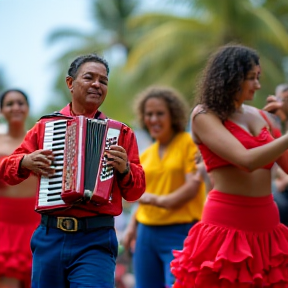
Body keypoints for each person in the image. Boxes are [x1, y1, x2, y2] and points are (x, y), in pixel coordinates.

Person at [0, 54, 146, 288]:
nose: (97, 84)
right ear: (70, 83)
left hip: (96, 238)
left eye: (103, 81)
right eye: (89, 77)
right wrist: (25, 161)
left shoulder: (121, 134)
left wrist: (125, 169)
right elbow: (6, 171)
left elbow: (136, 192)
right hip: (50, 236)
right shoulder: (44, 127)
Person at [170, 44, 288, 288]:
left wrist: (284, 125)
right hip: (226, 228)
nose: (257, 85)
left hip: (268, 229)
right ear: (231, 78)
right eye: (250, 78)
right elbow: (246, 160)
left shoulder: (265, 117)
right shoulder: (204, 115)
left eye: (258, 78)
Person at [122, 86, 206, 288]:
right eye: (149, 114)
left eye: (160, 113)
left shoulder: (188, 143)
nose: (153, 119)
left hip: (180, 231)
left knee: (180, 284)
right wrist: (132, 227)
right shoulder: (146, 154)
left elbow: (191, 189)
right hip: (146, 234)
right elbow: (140, 200)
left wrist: (155, 200)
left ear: (173, 115)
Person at [0, 89, 40, 288]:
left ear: (27, 108)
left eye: (20, 103)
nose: (15, 107)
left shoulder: (38, 141)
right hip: (3, 224)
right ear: (1, 111)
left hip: (35, 223)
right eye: (9, 104)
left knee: (38, 280)